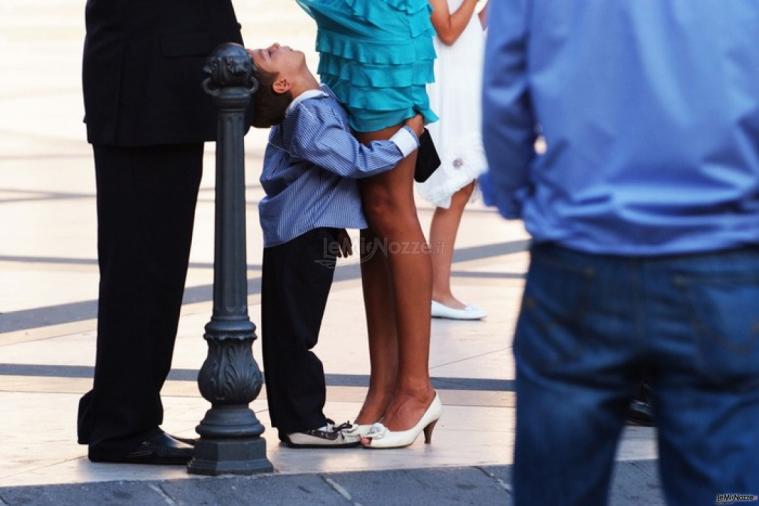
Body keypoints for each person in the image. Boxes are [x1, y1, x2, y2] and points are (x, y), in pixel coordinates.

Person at [482, 1, 759, 505]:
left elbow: (505, 88)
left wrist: (516, 191)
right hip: (722, 256)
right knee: (728, 493)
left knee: (556, 490)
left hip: (578, 259)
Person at [77, 0, 244, 464]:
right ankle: (123, 426)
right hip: (148, 93)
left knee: (150, 265)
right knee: (143, 268)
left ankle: (116, 412)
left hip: (159, 88)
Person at [247, 43, 424, 447]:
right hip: (298, 235)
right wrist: (406, 139)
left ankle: (298, 419)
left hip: (305, 228)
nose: (271, 46)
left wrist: (335, 221)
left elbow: (316, 178)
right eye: (267, 56)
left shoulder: (312, 103)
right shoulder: (305, 116)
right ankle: (302, 423)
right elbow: (354, 162)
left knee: (291, 325)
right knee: (295, 330)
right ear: (282, 84)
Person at [296, 0, 442, 448]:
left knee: (391, 208)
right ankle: (383, 389)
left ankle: (417, 389)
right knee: (372, 214)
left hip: (379, 29)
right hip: (343, 29)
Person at [419, 0, 489, 320]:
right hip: (449, 81)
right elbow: (446, 30)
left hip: (466, 75)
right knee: (455, 186)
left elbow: (476, 23)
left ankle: (438, 290)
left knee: (461, 186)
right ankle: (437, 292)